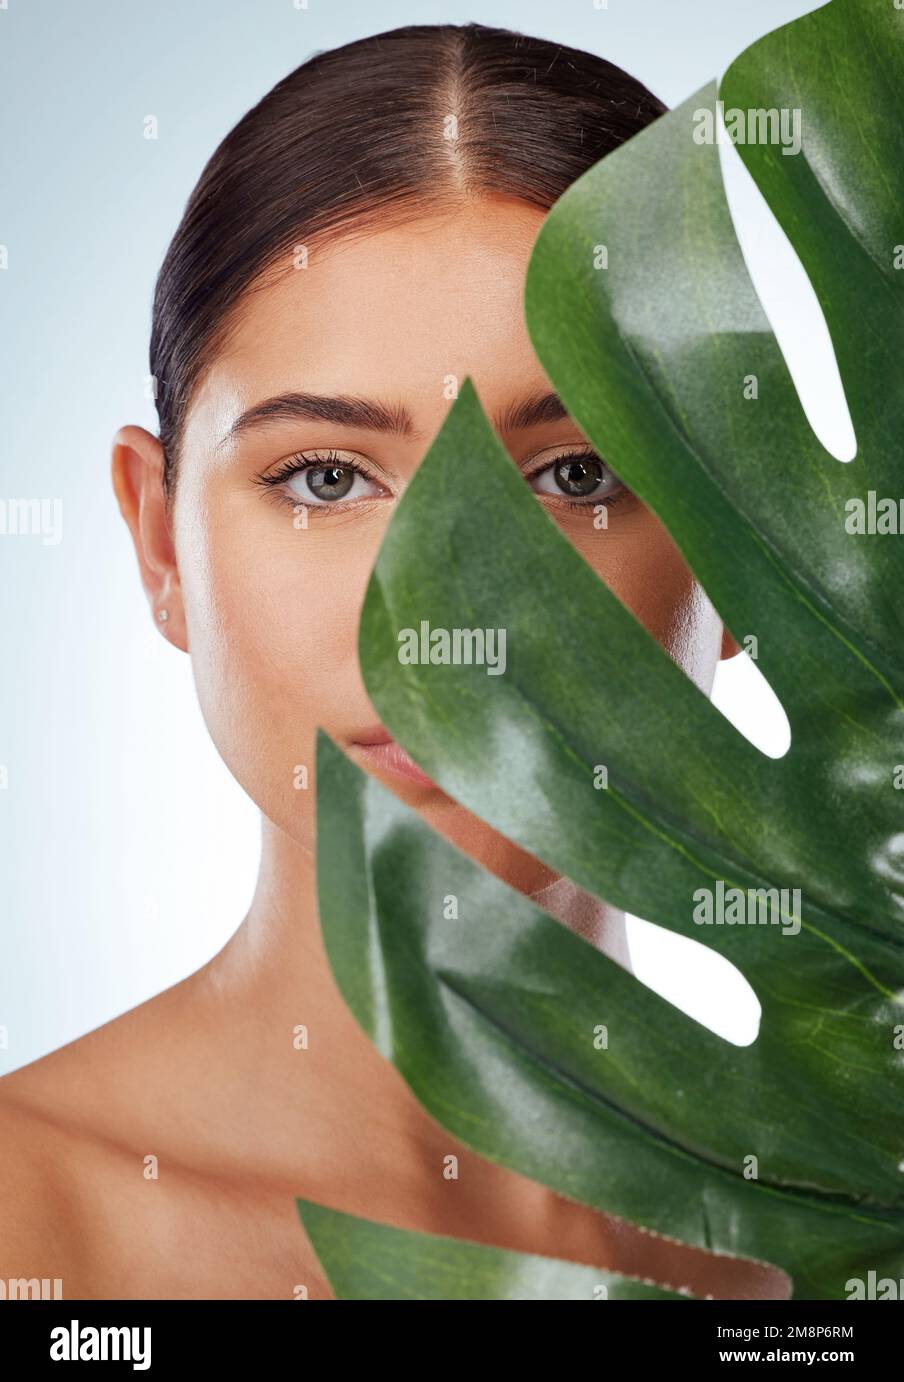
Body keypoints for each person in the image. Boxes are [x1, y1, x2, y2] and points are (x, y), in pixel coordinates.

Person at [0, 22, 785, 1300]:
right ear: (160, 544)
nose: (441, 615)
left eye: (573, 474)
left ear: (747, 544)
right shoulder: (30, 1234)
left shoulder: (845, 1233)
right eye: (324, 477)